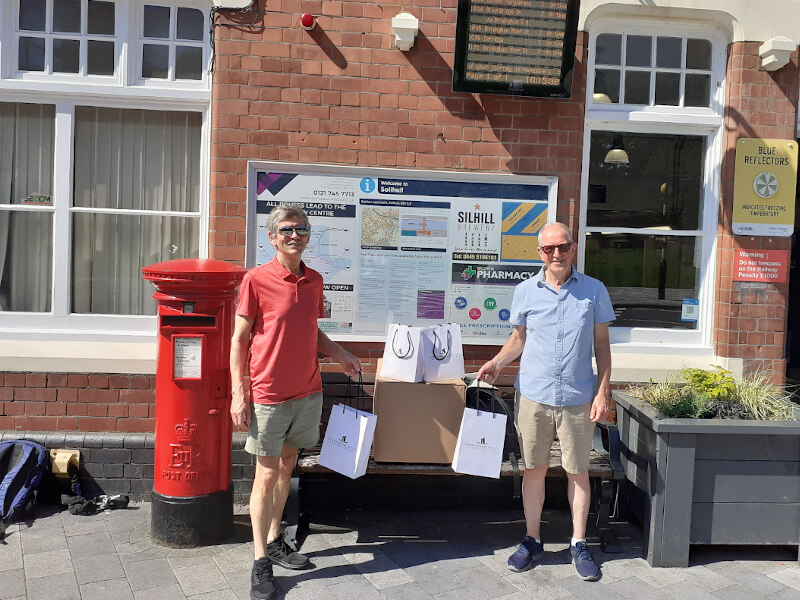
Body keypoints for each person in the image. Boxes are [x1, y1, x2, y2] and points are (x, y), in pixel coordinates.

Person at [230, 205, 361, 600]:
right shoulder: (256, 280)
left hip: (308, 390)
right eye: (287, 229)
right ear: (273, 237)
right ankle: (259, 563)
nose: (295, 235)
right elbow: (238, 340)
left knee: (289, 464)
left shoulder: (315, 280)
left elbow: (311, 330)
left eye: (302, 229)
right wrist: (240, 392)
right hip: (269, 394)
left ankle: (274, 539)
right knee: (266, 474)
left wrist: (339, 353)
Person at [477, 221, 614, 582]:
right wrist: (497, 362)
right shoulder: (524, 291)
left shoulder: (595, 291)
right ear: (539, 252)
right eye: (549, 249)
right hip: (534, 397)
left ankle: (578, 543)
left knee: (577, 472)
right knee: (533, 470)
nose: (557, 254)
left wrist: (603, 392)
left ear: (573, 248)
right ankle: (533, 539)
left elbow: (602, 345)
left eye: (563, 247)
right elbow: (518, 339)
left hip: (578, 398)